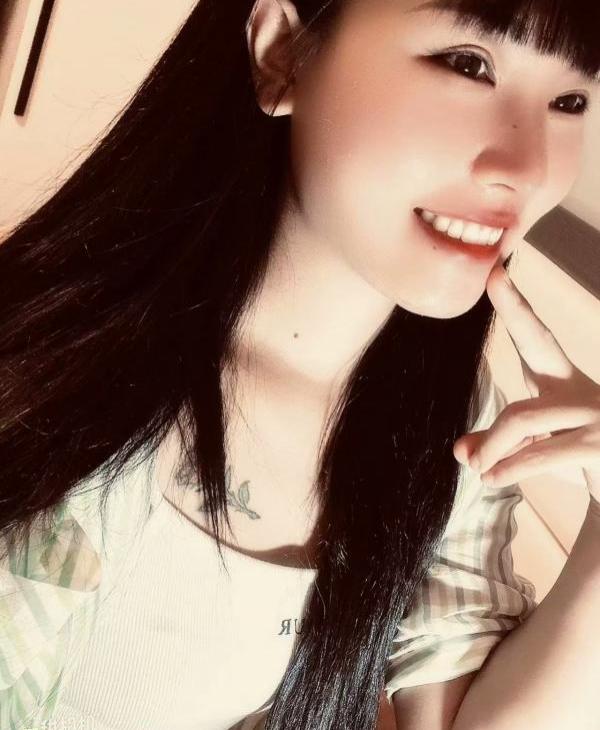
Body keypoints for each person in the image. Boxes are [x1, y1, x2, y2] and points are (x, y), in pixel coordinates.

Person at [0, 0, 596, 728]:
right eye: (469, 64)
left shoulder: (455, 426)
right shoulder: (37, 362)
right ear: (282, 51)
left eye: (570, 101)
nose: (527, 168)